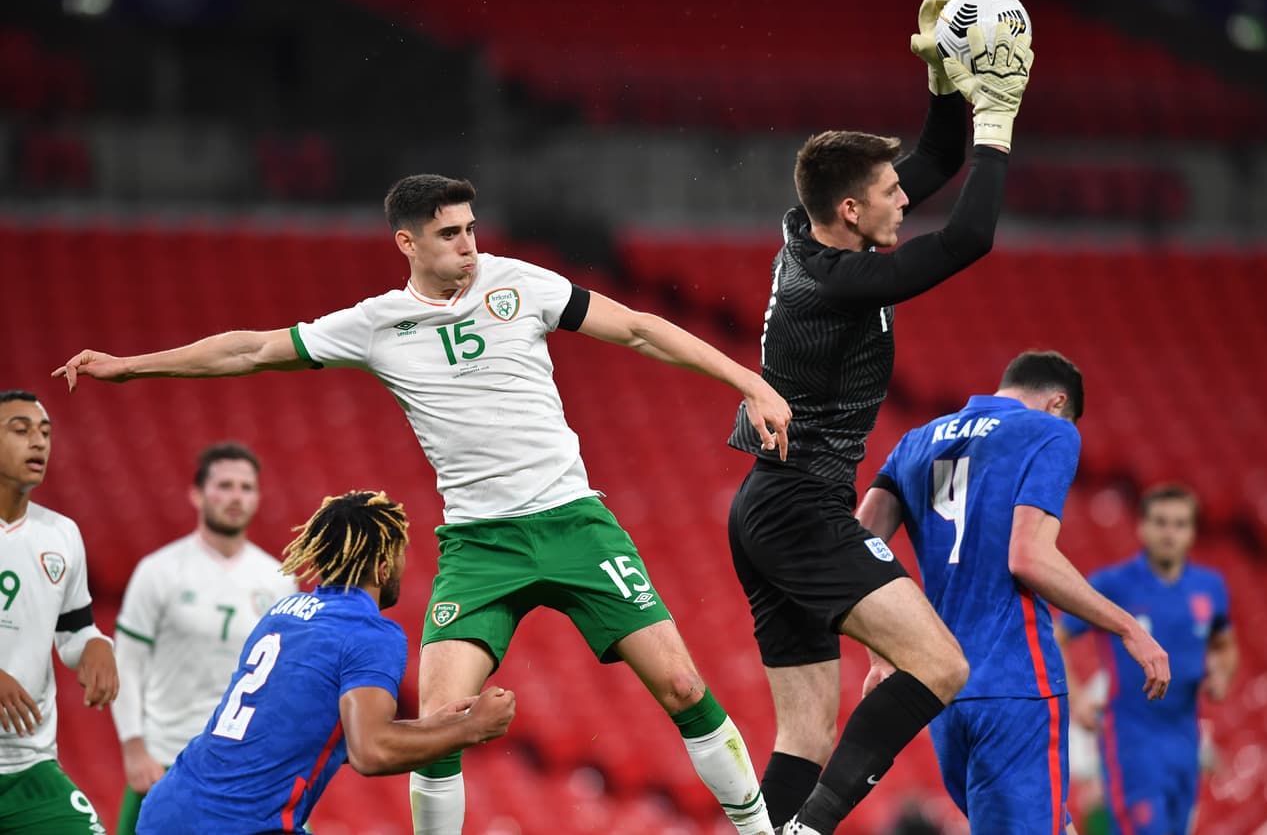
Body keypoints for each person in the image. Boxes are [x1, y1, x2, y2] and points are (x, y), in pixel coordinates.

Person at [54, 177, 793, 835]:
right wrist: (131, 367)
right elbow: (250, 350)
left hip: (574, 520)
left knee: (683, 684)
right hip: (479, 545)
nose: (469, 246)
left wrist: (749, 382)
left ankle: (759, 830)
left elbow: (635, 325)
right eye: (449, 233)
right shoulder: (375, 323)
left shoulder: (520, 283)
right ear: (407, 242)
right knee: (439, 727)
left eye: (471, 228)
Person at [724, 0, 1035, 833]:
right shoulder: (837, 282)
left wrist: (941, 72)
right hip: (798, 509)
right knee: (940, 664)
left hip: (767, 504)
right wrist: (996, 117)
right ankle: (809, 830)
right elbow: (967, 239)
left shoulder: (821, 235)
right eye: (891, 194)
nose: (910, 199)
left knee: (806, 732)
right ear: (852, 211)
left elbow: (935, 153)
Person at [855, 351, 1170, 833]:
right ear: (1057, 402)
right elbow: (1029, 558)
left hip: (942, 690)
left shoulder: (915, 442)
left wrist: (880, 654)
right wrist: (1128, 628)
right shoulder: (1050, 430)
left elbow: (857, 549)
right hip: (1014, 683)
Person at [135, 489, 515, 833]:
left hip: (169, 806)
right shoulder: (369, 632)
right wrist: (472, 729)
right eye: (400, 555)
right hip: (239, 823)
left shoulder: (282, 613)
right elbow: (371, 751)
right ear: (383, 567)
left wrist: (429, 727)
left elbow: (311, 735)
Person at [112, 441, 296, 835]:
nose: (235, 496)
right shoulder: (159, 571)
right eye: (224, 485)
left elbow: (284, 681)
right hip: (166, 759)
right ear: (197, 494)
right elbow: (126, 662)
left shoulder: (279, 580)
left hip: (247, 765)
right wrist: (133, 747)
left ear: (258, 497)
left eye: (246, 488)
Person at [1058, 484, 1236, 835]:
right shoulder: (1114, 585)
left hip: (1185, 740)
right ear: (1142, 527)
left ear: (1192, 531)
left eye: (1180, 524)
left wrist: (1223, 675)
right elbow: (1057, 637)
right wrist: (1076, 700)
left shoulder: (1209, 587)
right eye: (1161, 522)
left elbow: (1225, 644)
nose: (1170, 533)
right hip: (1131, 740)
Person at [0, 390, 118, 834]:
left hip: (28, 766)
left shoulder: (62, 534)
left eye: (45, 432)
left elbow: (74, 629)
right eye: (21, 430)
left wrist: (94, 647)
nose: (39, 441)